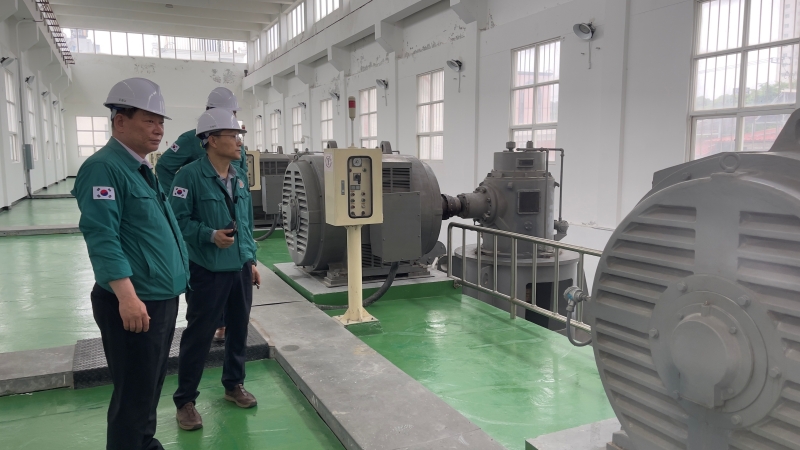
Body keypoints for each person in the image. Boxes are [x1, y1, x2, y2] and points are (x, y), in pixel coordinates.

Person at [71, 77, 189, 450]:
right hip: (135, 300)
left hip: (159, 297)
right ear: (120, 121)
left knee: (149, 386)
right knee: (133, 395)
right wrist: (126, 296)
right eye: (149, 120)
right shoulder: (104, 168)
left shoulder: (140, 168)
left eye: (161, 122)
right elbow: (101, 235)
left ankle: (144, 443)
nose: (159, 130)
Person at [169, 108, 261, 431]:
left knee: (239, 327)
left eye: (239, 136)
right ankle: (185, 401)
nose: (239, 142)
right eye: (233, 136)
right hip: (207, 270)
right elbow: (178, 221)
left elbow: (246, 223)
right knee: (200, 334)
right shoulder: (188, 177)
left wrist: (251, 259)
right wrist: (209, 235)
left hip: (239, 267)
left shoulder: (238, 176)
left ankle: (234, 384)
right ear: (211, 140)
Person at [156, 86, 246, 342]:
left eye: (233, 114)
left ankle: (225, 325)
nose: (231, 119)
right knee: (205, 281)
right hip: (201, 218)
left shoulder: (235, 143)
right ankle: (210, 324)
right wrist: (174, 196)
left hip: (230, 218)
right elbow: (164, 167)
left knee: (235, 292)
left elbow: (242, 176)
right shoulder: (191, 139)